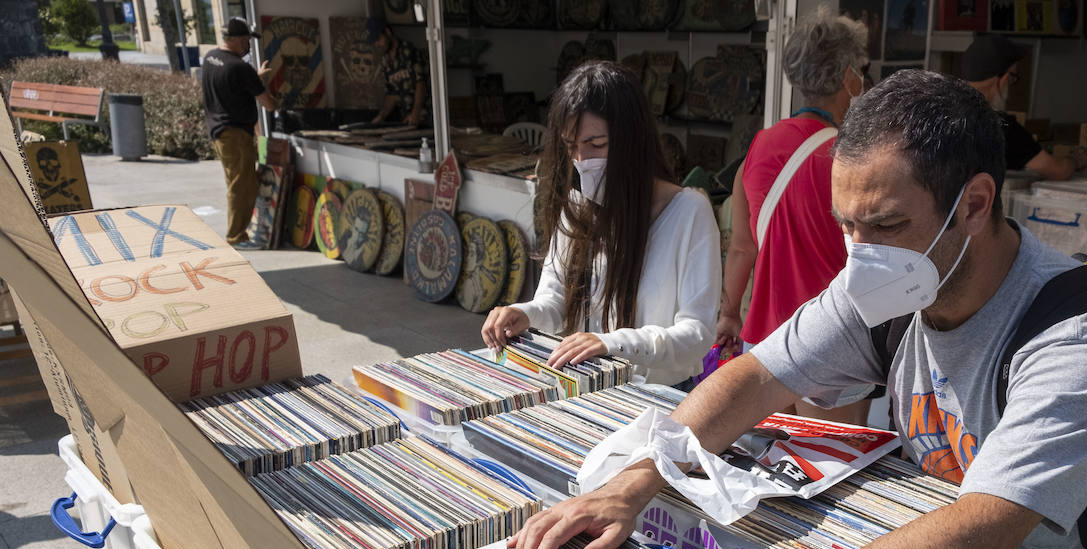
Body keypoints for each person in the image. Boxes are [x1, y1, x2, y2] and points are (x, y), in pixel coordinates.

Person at [511, 69, 1087, 549]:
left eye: (884, 223)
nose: (860, 255)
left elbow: (976, 543)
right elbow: (755, 377)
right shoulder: (888, 287)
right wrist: (634, 484)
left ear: (973, 204)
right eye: (846, 226)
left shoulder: (1084, 342)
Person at [481, 62, 718, 386]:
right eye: (570, 147)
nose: (582, 161)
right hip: (586, 390)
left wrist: (613, 343)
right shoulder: (577, 207)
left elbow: (697, 333)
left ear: (632, 139)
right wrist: (524, 314)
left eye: (597, 145)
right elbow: (556, 301)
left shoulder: (689, 212)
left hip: (660, 399)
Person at [716, 11, 869, 423]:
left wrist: (730, 314)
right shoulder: (852, 160)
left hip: (766, 343)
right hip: (832, 345)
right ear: (848, 77)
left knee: (770, 465)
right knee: (832, 472)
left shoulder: (760, 145)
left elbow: (742, 247)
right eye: (861, 70)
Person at [201, 17, 277, 249]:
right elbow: (268, 104)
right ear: (233, 39)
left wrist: (255, 78)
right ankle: (237, 237)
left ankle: (237, 233)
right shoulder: (239, 67)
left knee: (237, 182)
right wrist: (270, 95)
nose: (247, 45)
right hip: (235, 133)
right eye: (245, 40)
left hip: (218, 130)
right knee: (241, 185)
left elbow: (232, 86)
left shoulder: (211, 58)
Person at [961, 35, 1081, 181]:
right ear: (1004, 78)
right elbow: (1058, 171)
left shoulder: (939, 113)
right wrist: (1075, 161)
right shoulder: (999, 127)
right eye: (1012, 78)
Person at [366, 19, 428, 127]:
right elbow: (391, 94)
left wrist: (416, 113)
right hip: (405, 120)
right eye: (374, 42)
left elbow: (420, 84)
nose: (376, 44)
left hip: (424, 117)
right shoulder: (385, 60)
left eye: (378, 39)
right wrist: (381, 116)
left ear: (388, 32)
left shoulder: (409, 51)